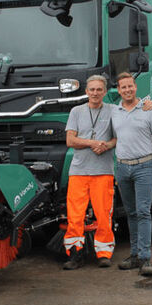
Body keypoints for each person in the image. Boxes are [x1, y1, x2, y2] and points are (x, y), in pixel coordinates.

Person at [111, 72, 152, 276]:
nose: (127, 90)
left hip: (144, 167)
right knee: (131, 212)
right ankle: (134, 255)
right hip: (122, 168)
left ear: (136, 87)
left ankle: (145, 258)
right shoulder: (114, 111)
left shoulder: (147, 109)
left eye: (130, 86)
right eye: (123, 87)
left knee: (143, 212)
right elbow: (115, 138)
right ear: (118, 90)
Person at [63, 75, 117, 269]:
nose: (95, 93)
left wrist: (107, 146)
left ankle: (103, 253)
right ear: (86, 92)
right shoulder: (76, 111)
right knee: (75, 215)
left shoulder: (113, 111)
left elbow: (118, 138)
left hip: (103, 171)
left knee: (103, 214)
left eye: (99, 90)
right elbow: (70, 141)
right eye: (92, 89)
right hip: (78, 171)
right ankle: (75, 254)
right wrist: (93, 143)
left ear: (104, 92)